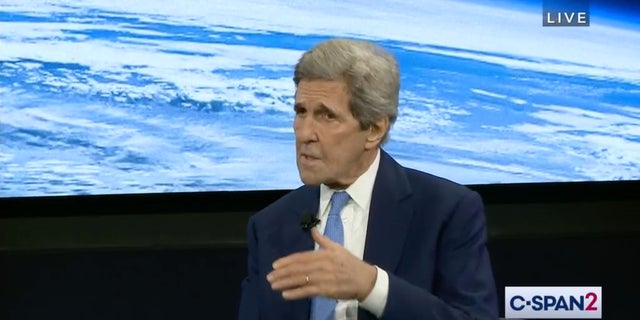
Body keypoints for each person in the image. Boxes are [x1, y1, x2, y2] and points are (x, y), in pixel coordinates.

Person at [238, 38, 498, 320]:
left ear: (374, 130)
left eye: (326, 115)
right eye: (301, 112)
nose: (304, 133)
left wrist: (372, 287)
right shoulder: (270, 226)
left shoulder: (444, 212)